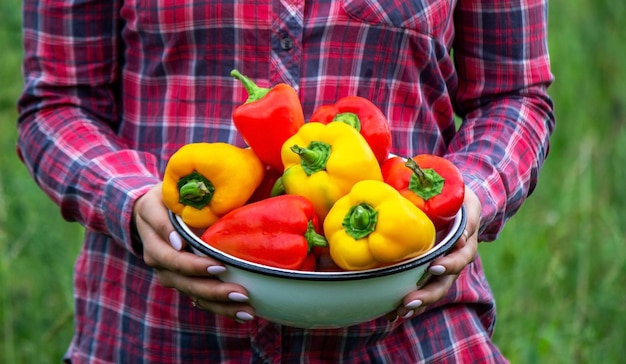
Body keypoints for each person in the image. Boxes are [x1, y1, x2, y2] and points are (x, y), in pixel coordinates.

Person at [16, 0, 554, 361]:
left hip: (410, 328)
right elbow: (58, 104)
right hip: (156, 325)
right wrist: (130, 201)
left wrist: (470, 199)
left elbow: (515, 94)